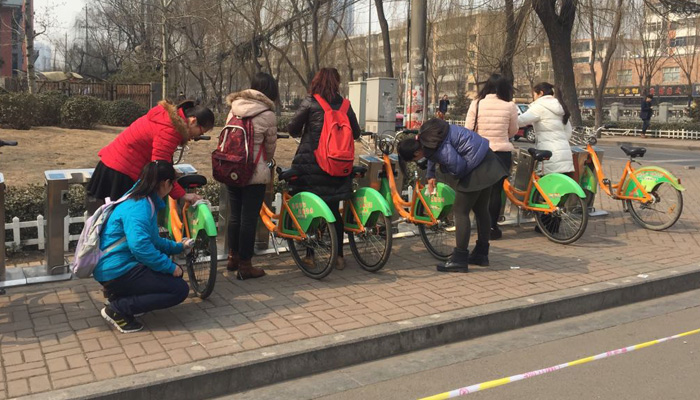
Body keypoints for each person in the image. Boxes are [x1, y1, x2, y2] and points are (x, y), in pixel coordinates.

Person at [397, 119, 508, 271]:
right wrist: (430, 175)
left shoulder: (438, 148)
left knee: (460, 211)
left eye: (415, 159)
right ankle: (482, 254)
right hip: (487, 158)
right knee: (481, 209)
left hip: (475, 167)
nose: (418, 161)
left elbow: (458, 168)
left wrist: (442, 169)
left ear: (416, 152)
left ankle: (460, 259)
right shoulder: (427, 135)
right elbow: (431, 153)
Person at [96, 161, 193, 333]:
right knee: (178, 289)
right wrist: (169, 267)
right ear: (165, 183)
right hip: (117, 270)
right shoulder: (139, 207)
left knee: (173, 275)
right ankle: (119, 309)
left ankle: (119, 296)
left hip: (119, 266)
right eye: (172, 184)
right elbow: (140, 247)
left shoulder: (143, 199)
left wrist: (178, 247)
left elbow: (153, 241)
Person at [287, 68, 362, 270]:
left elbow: (292, 128)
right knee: (333, 209)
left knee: (311, 208)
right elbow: (356, 133)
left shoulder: (310, 102)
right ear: (337, 83)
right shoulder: (345, 105)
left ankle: (310, 255)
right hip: (338, 166)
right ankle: (338, 256)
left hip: (311, 165)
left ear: (316, 82)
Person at [87, 100, 215, 203]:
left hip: (112, 165)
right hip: (120, 174)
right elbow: (160, 168)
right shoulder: (170, 130)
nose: (196, 137)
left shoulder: (166, 118)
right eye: (201, 132)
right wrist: (181, 195)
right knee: (120, 226)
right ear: (193, 121)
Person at [224, 73, 279, 280]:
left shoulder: (234, 108)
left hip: (232, 169)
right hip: (254, 173)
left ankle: (232, 257)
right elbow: (270, 148)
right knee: (249, 219)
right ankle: (246, 266)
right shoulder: (268, 114)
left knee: (235, 216)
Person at [465, 73, 518, 240]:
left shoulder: (477, 104)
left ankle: (480, 226)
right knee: (496, 192)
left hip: (481, 152)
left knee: (480, 191)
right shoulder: (509, 106)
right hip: (502, 153)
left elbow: (468, 128)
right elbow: (513, 131)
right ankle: (492, 227)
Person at [517, 82, 574, 175]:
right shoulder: (560, 107)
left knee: (545, 186)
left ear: (541, 93)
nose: (534, 97)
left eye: (534, 94)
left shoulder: (539, 106)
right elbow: (568, 132)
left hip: (549, 155)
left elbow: (521, 121)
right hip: (565, 154)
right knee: (562, 187)